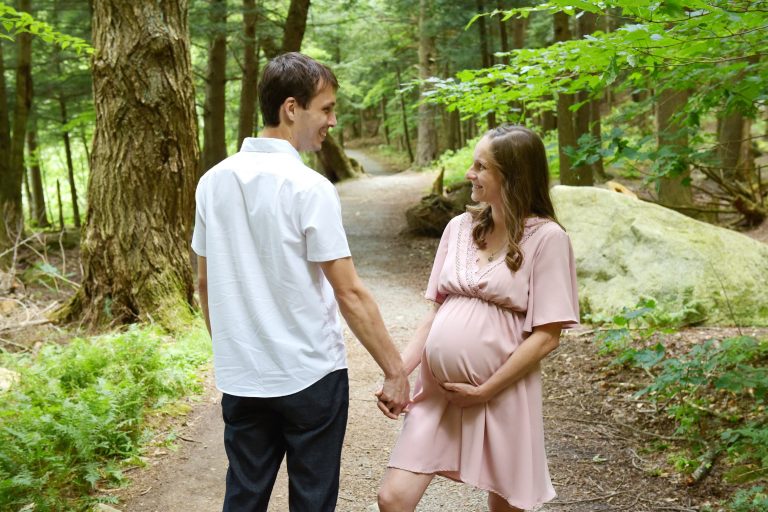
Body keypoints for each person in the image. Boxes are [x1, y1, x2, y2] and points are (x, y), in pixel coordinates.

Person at [191, 52, 409, 512]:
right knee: (312, 500)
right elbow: (348, 291)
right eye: (326, 109)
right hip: (310, 376)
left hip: (244, 378)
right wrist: (395, 369)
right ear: (292, 108)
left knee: (244, 496)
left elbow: (205, 284)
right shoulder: (309, 187)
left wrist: (234, 352)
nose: (333, 120)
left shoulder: (212, 182)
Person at [377, 125, 580, 512]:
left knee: (506, 507)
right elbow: (436, 314)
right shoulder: (459, 228)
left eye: (480, 166)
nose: (469, 174)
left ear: (512, 176)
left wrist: (486, 389)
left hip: (503, 393)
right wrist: (400, 374)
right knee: (392, 499)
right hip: (439, 394)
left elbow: (547, 336)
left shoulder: (549, 239)